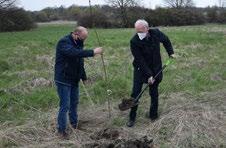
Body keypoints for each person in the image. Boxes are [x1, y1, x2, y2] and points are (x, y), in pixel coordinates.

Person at [54, 26, 103, 139]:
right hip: (63, 79)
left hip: (74, 79)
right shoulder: (64, 42)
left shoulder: (78, 42)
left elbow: (79, 62)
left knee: (74, 103)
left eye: (85, 38)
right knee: (65, 105)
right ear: (76, 34)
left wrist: (84, 77)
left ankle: (74, 125)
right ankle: (61, 131)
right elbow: (74, 53)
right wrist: (93, 52)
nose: (83, 40)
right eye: (82, 38)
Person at [127, 19, 175, 127]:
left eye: (141, 31)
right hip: (140, 69)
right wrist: (149, 75)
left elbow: (166, 40)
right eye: (137, 31)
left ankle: (153, 116)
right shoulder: (134, 41)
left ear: (147, 28)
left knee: (154, 93)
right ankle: (132, 118)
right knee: (136, 94)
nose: (139, 34)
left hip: (156, 68)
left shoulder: (156, 33)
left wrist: (170, 52)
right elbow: (139, 60)